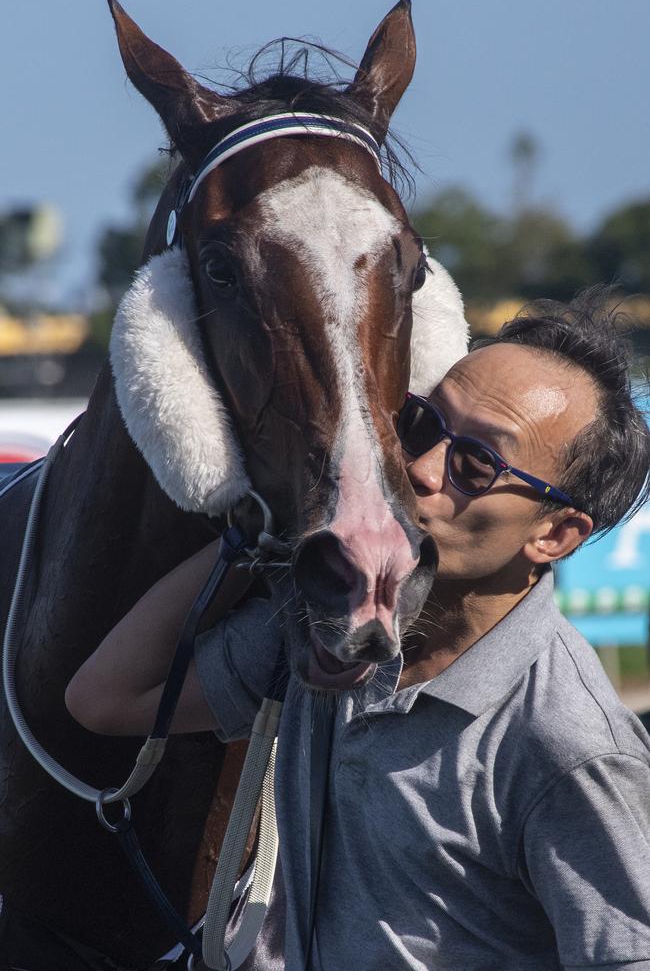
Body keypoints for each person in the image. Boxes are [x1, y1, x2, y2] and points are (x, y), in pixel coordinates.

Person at [66, 292, 650, 970]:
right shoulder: (332, 625)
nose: (422, 469)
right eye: (422, 424)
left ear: (555, 534)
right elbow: (107, 698)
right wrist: (267, 528)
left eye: (476, 464)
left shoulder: (572, 747)